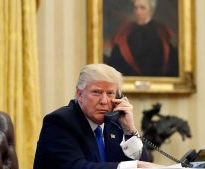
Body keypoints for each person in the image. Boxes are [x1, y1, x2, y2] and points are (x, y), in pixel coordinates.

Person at [33, 64, 164, 169]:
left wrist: (130, 130)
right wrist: (133, 166)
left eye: (110, 93)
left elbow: (145, 165)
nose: (104, 100)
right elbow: (76, 166)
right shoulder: (60, 122)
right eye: (96, 92)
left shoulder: (114, 123)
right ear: (80, 94)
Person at [107, 0, 179, 77]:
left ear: (151, 11)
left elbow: (170, 62)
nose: (138, 12)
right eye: (136, 8)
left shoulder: (161, 32)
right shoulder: (126, 31)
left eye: (142, 8)